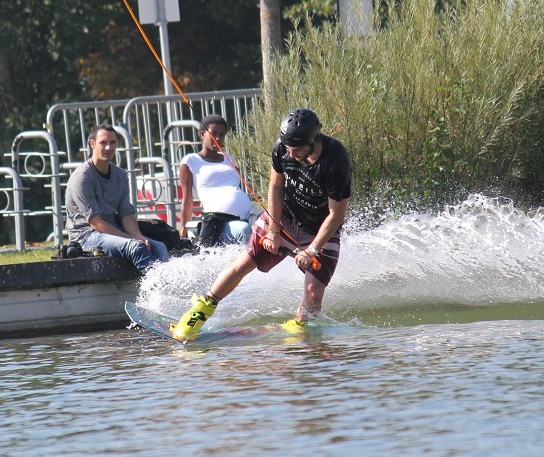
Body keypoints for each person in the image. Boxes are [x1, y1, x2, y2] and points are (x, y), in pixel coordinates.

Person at [171, 108, 351, 340]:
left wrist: (312, 249)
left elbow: (336, 214)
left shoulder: (336, 160)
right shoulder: (283, 149)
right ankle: (200, 310)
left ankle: (302, 331)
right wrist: (273, 229)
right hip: (285, 214)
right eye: (288, 148)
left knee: (313, 291)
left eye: (297, 150)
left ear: (313, 141)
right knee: (244, 262)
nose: (291, 154)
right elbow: (276, 188)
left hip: (320, 225)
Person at [65, 124, 169, 273]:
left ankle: (166, 283)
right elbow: (96, 223)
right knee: (135, 246)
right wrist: (131, 239)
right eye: (103, 143)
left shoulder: (120, 175)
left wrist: (137, 235)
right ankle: (156, 288)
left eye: (112, 143)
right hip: (86, 236)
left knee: (159, 246)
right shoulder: (82, 177)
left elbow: (126, 214)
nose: (108, 147)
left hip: (113, 231)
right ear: (92, 144)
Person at [177, 114, 254, 247]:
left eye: (222, 135)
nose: (218, 138)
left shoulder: (229, 158)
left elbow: (236, 189)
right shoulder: (191, 161)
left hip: (248, 216)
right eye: (214, 134)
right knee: (243, 230)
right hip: (221, 223)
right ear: (202, 134)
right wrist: (183, 227)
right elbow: (187, 199)